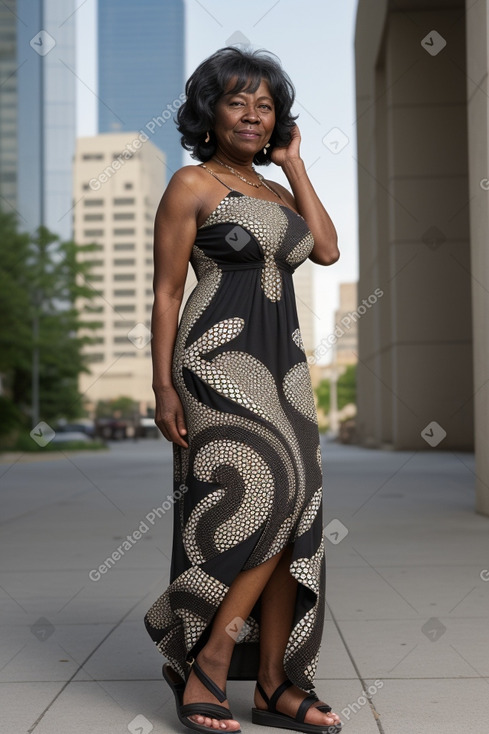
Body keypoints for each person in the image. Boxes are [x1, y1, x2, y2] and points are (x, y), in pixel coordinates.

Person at [144, 46, 342, 734]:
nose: (253, 115)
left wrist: (293, 162)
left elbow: (325, 248)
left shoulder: (280, 190)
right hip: (215, 357)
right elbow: (168, 293)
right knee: (264, 495)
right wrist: (163, 385)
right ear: (210, 113)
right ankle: (209, 654)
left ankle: (271, 685)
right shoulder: (190, 185)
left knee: (300, 506)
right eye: (238, 102)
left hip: (282, 365)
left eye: (264, 104)